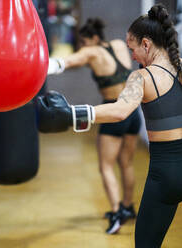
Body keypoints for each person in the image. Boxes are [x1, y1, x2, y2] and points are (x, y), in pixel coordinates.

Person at [37, 4, 182, 247]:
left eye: (132, 47)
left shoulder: (142, 78)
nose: (131, 55)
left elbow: (120, 111)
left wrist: (72, 115)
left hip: (168, 175)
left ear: (146, 44)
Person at [47, 18, 141, 234]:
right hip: (132, 111)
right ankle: (128, 207)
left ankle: (117, 214)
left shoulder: (92, 52)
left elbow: (68, 61)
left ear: (94, 38)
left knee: (106, 166)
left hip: (112, 112)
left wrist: (44, 65)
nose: (83, 46)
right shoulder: (119, 44)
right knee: (126, 163)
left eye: (85, 41)